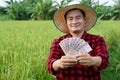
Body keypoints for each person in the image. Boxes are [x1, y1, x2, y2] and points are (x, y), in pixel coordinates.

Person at [47, 3, 109, 80]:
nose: (74, 21)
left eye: (78, 17)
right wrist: (60, 63)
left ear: (84, 19)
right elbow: (50, 64)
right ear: (66, 22)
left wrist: (92, 60)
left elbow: (104, 60)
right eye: (70, 19)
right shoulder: (58, 42)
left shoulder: (97, 40)